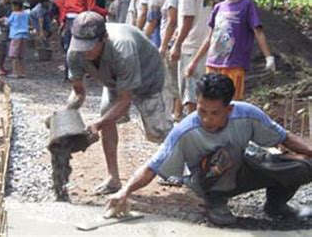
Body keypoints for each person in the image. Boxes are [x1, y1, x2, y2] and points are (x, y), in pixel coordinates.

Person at [107, 73, 312, 226]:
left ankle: (276, 205)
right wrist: (125, 191)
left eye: (214, 113)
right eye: (201, 110)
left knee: (303, 166)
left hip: (241, 167)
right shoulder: (185, 131)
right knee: (228, 153)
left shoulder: (248, 115)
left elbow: (285, 138)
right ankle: (216, 201)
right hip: (206, 179)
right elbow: (153, 166)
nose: (206, 119)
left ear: (229, 109)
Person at [66, 11, 173, 194]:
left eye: (90, 46)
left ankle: (184, 163)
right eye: (81, 46)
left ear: (104, 38)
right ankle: (113, 179)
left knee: (157, 133)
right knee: (107, 118)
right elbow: (78, 93)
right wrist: (64, 119)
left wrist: (97, 125)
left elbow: (125, 101)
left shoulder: (123, 49)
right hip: (115, 81)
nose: (85, 51)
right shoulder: (76, 54)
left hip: (150, 79)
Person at [186, 0, 276, 100]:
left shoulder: (247, 5)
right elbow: (210, 38)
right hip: (213, 63)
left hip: (234, 64)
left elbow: (258, 31)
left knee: (232, 102)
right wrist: (194, 62)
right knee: (211, 100)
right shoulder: (218, 8)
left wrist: (268, 57)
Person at [168, 0, 212, 114]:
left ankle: (194, 133)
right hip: (204, 41)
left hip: (191, 44)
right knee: (202, 92)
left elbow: (188, 16)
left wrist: (177, 45)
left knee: (191, 95)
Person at [64, 0, 108, 68]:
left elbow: (67, 1)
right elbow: (92, 7)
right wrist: (106, 12)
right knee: (81, 46)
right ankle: (81, 69)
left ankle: (68, 72)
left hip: (69, 16)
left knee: (69, 45)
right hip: (80, 18)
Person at [158, 0, 182, 122]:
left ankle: (177, 112)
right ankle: (175, 110)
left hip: (171, 43)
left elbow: (172, 21)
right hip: (171, 41)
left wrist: (164, 44)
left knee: (173, 79)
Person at [6, 0, 29, 78]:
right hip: (25, 35)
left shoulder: (14, 14)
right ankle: (22, 72)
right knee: (21, 56)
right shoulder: (25, 14)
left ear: (16, 6)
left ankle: (15, 72)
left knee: (14, 55)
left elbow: (7, 22)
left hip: (15, 36)